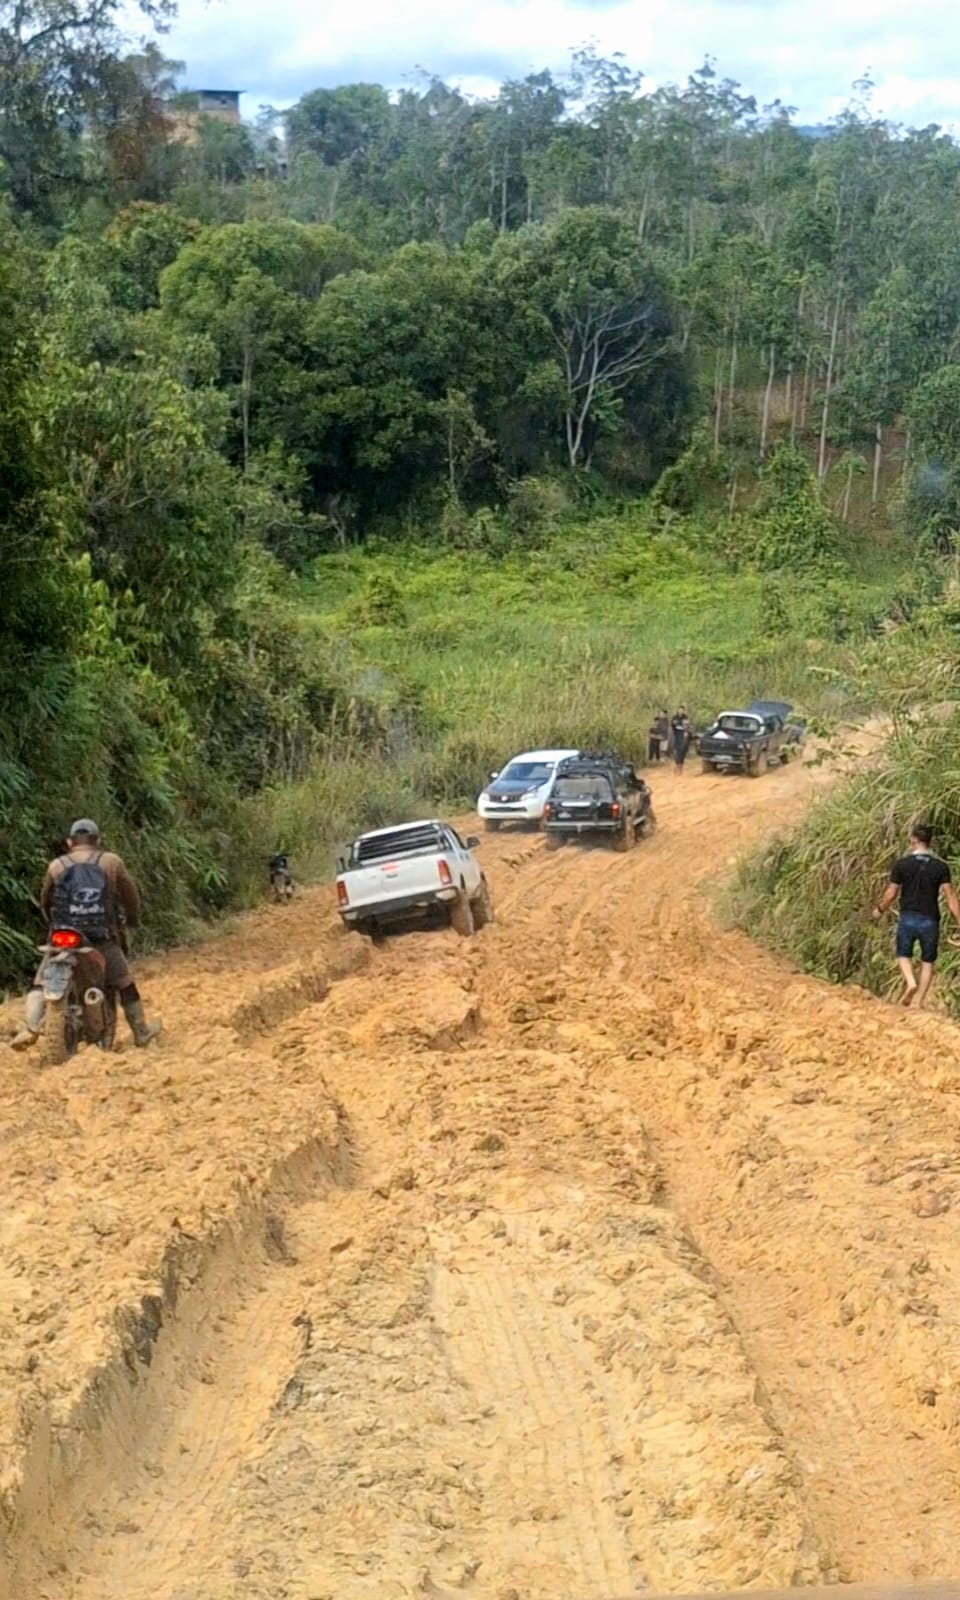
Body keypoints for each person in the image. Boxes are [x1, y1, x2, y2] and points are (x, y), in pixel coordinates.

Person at [11, 818, 162, 1050]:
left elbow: (45, 901)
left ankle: (30, 1027)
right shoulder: (111, 862)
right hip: (100, 937)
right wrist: (132, 919)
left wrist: (53, 925)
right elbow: (131, 896)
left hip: (63, 937)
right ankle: (141, 1032)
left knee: (40, 982)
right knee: (124, 982)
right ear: (97, 841)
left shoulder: (56, 865)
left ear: (70, 842)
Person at [872, 823, 960, 1008]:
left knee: (903, 954)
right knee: (928, 961)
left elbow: (891, 894)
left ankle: (911, 982)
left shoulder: (901, 865)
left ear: (913, 841)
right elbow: (950, 896)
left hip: (908, 917)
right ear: (930, 842)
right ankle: (918, 1002)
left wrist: (879, 910)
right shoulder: (940, 867)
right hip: (930, 919)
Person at [670, 706, 692, 774]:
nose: (680, 711)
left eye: (682, 710)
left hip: (683, 735)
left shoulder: (685, 717)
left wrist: (686, 732)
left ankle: (680, 768)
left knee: (683, 751)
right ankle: (676, 766)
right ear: (678, 710)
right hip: (676, 735)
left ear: (683, 711)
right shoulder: (675, 717)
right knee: (677, 751)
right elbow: (672, 725)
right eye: (679, 710)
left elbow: (687, 726)